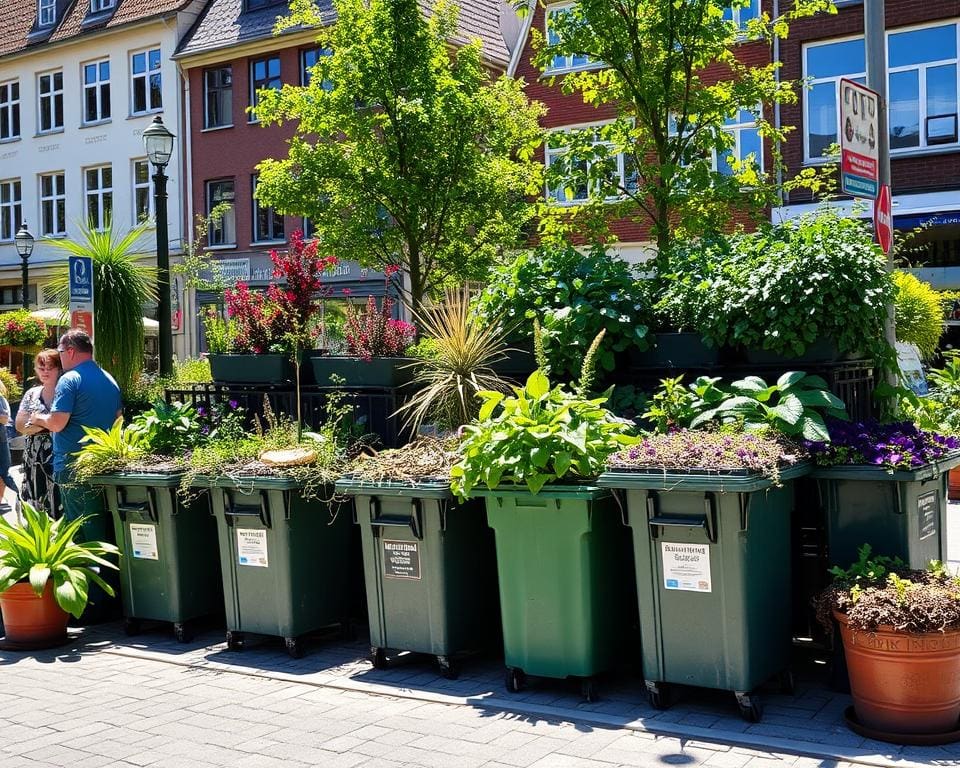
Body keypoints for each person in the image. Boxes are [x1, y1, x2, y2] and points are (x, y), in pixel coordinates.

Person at [29, 329, 122, 620]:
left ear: (70, 351)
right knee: (101, 530)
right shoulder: (108, 378)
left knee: (82, 535)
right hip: (101, 465)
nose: (57, 356)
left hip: (72, 467)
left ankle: (92, 604)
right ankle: (109, 598)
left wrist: (38, 418)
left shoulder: (70, 379)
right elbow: (119, 419)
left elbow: (57, 422)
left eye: (59, 350)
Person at [16, 348, 63, 518]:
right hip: (33, 458)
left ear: (59, 368)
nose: (45, 372)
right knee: (36, 499)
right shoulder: (32, 394)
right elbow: (20, 425)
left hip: (58, 457)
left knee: (58, 500)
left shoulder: (65, 392)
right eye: (40, 368)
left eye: (49, 367)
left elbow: (62, 424)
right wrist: (47, 423)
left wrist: (36, 420)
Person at [0, 379, 18, 508]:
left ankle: (22, 497)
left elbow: (4, 418)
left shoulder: (1, 400)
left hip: (1, 441)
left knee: (5, 473)